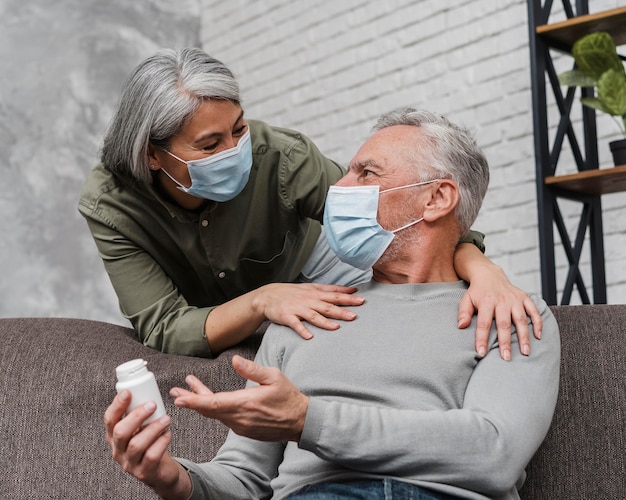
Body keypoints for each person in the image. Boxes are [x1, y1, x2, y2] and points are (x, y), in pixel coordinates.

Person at [105, 108, 560, 499]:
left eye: (366, 173)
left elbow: (494, 451)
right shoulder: (303, 314)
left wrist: (308, 419)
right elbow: (244, 479)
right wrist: (173, 479)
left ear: (437, 198)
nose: (339, 188)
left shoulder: (511, 312)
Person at [79, 48, 541, 359]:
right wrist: (262, 301)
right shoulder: (111, 206)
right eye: (209, 144)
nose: (234, 150)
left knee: (421, 286)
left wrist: (487, 274)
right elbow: (164, 327)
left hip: (318, 263)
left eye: (238, 129)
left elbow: (408, 223)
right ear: (152, 154)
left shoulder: (280, 155)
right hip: (227, 308)